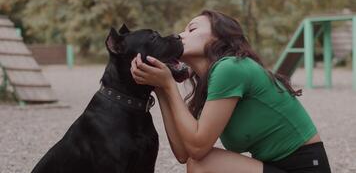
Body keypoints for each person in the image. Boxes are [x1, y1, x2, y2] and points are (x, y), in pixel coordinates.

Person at [130, 10, 331, 173]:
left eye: (191, 29)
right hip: (274, 167)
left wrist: (169, 86)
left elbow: (197, 148)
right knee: (198, 162)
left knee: (202, 164)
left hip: (305, 167)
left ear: (220, 36)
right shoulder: (210, 84)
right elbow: (183, 153)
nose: (180, 35)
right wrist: (161, 89)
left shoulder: (231, 68)